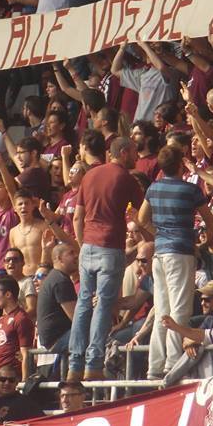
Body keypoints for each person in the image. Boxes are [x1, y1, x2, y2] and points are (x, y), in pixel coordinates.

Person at [136, 145, 213, 378]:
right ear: (181, 165)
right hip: (181, 252)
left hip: (160, 253)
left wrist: (160, 233)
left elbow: (142, 219)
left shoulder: (153, 188)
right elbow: (210, 221)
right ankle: (172, 363)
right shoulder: (191, 190)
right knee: (179, 309)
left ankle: (155, 366)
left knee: (162, 308)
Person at [67, 137, 144, 382]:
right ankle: (93, 363)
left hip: (88, 246)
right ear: (123, 152)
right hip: (110, 246)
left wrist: (83, 245)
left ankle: (74, 364)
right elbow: (143, 212)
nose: (138, 156)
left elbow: (77, 217)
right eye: (134, 152)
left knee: (83, 303)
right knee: (103, 305)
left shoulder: (89, 175)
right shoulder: (126, 179)